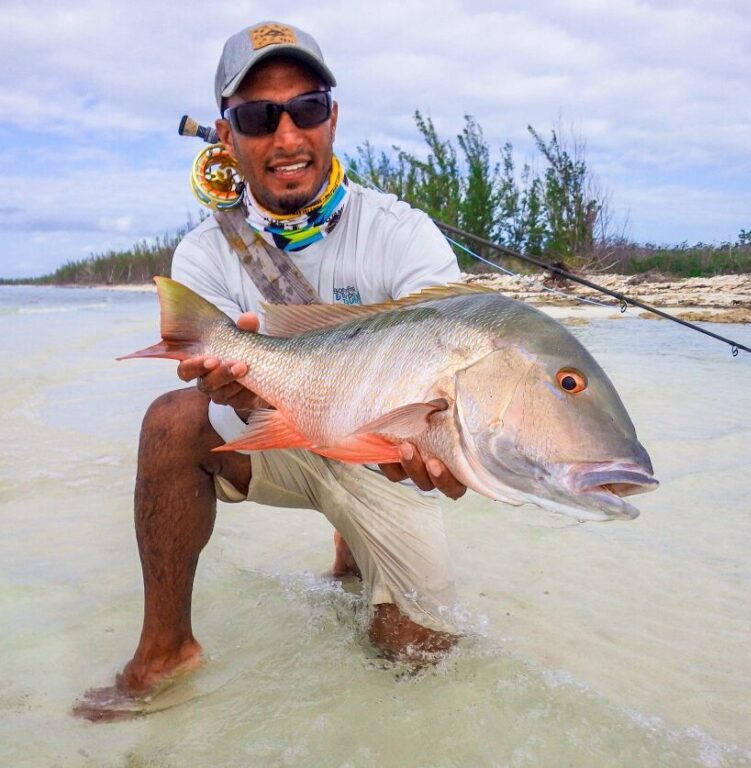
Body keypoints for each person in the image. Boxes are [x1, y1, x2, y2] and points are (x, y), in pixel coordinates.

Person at [77, 21, 467, 718]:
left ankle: (354, 550)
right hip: (278, 432)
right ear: (227, 137)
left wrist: (449, 443)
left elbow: (459, 356)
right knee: (170, 420)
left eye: (307, 109)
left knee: (417, 657)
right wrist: (227, 375)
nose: (288, 136)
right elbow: (221, 384)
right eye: (258, 116)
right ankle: (164, 650)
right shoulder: (206, 254)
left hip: (384, 451)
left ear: (333, 117)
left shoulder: (401, 233)